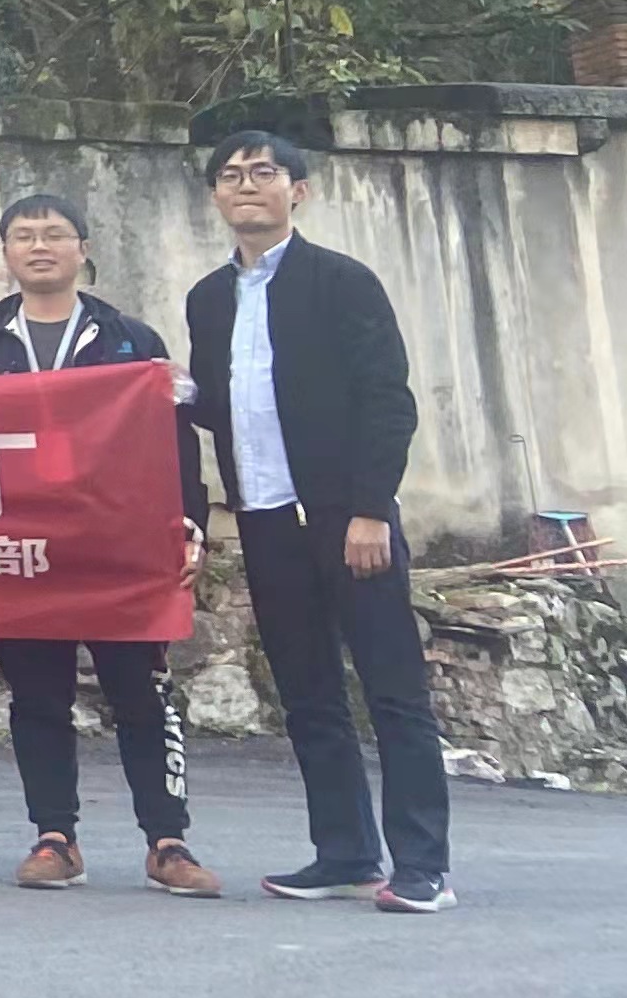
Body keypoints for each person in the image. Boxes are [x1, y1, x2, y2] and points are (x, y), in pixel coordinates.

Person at [183, 129, 450, 913]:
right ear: (216, 197)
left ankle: (423, 866)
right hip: (265, 519)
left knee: (393, 691)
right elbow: (225, 405)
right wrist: (170, 393)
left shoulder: (341, 282)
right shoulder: (209, 298)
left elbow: (387, 400)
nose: (246, 185)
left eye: (263, 172)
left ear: (297, 191)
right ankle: (344, 852)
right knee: (307, 695)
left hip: (347, 517)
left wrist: (370, 508)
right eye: (231, 175)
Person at [0, 192, 219, 898]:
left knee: (141, 693)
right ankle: (54, 837)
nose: (39, 246)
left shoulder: (129, 338)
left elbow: (173, 438)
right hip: (22, 548)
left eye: (54, 234)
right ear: (5, 253)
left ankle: (167, 840)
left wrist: (190, 523)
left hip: (119, 548)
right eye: (24, 236)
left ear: (83, 248)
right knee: (37, 696)